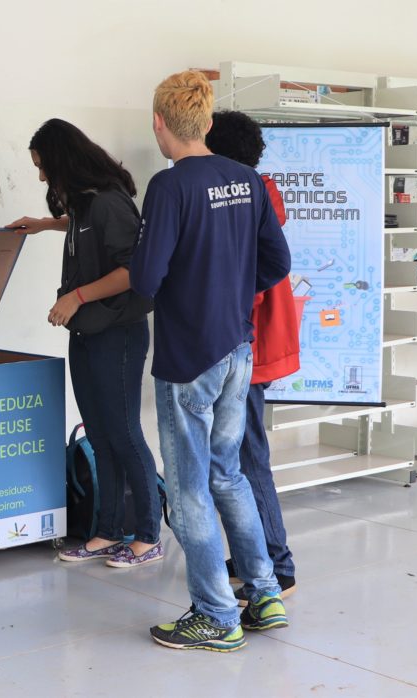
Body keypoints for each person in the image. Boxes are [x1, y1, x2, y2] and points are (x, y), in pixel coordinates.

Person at [129, 70, 293, 652]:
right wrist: (228, 287)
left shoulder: (169, 187)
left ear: (159, 123)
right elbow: (277, 261)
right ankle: (264, 592)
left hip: (187, 357)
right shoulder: (246, 180)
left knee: (190, 485)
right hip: (236, 349)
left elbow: (146, 279)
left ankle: (216, 616)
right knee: (229, 474)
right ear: (205, 122)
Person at [7, 119, 161, 568]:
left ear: (64, 162)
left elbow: (133, 271)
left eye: (43, 168)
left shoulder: (112, 203)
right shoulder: (85, 204)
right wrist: (43, 224)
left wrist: (75, 297)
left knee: (125, 433)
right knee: (99, 433)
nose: (41, 177)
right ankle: (108, 532)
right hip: (88, 334)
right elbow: (81, 225)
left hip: (118, 333)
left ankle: (148, 535)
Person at [204, 109, 301, 601]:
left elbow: (251, 281)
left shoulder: (244, 200)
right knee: (240, 457)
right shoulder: (261, 193)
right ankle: (253, 555)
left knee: (247, 459)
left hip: (247, 344)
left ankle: (276, 566)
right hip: (254, 343)